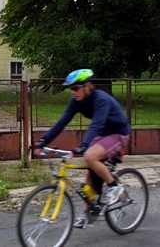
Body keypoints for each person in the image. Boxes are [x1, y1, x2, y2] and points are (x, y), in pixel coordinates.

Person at [32, 69, 131, 229]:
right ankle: (88, 212)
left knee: (90, 156)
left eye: (76, 88)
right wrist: (43, 141)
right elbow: (62, 122)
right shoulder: (76, 101)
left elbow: (96, 124)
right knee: (89, 174)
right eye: (71, 88)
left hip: (118, 132)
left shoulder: (101, 99)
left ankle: (115, 187)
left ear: (88, 86)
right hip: (103, 133)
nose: (73, 92)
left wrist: (83, 146)